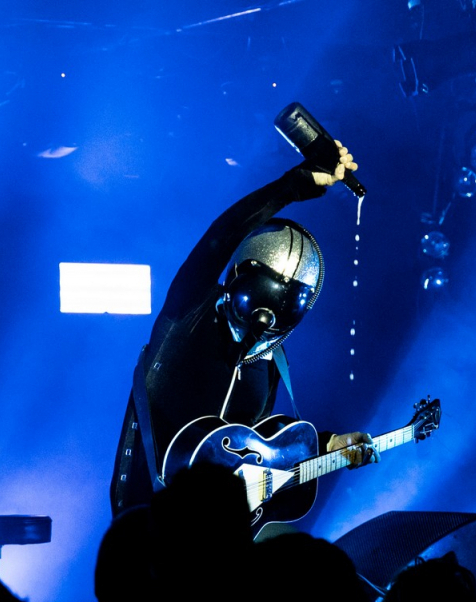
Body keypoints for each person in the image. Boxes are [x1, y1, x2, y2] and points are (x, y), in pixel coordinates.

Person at [110, 140, 376, 517]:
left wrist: (329, 444)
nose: (262, 323)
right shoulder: (190, 312)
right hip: (147, 528)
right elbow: (221, 237)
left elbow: (257, 447)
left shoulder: (271, 362)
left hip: (217, 541)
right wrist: (294, 184)